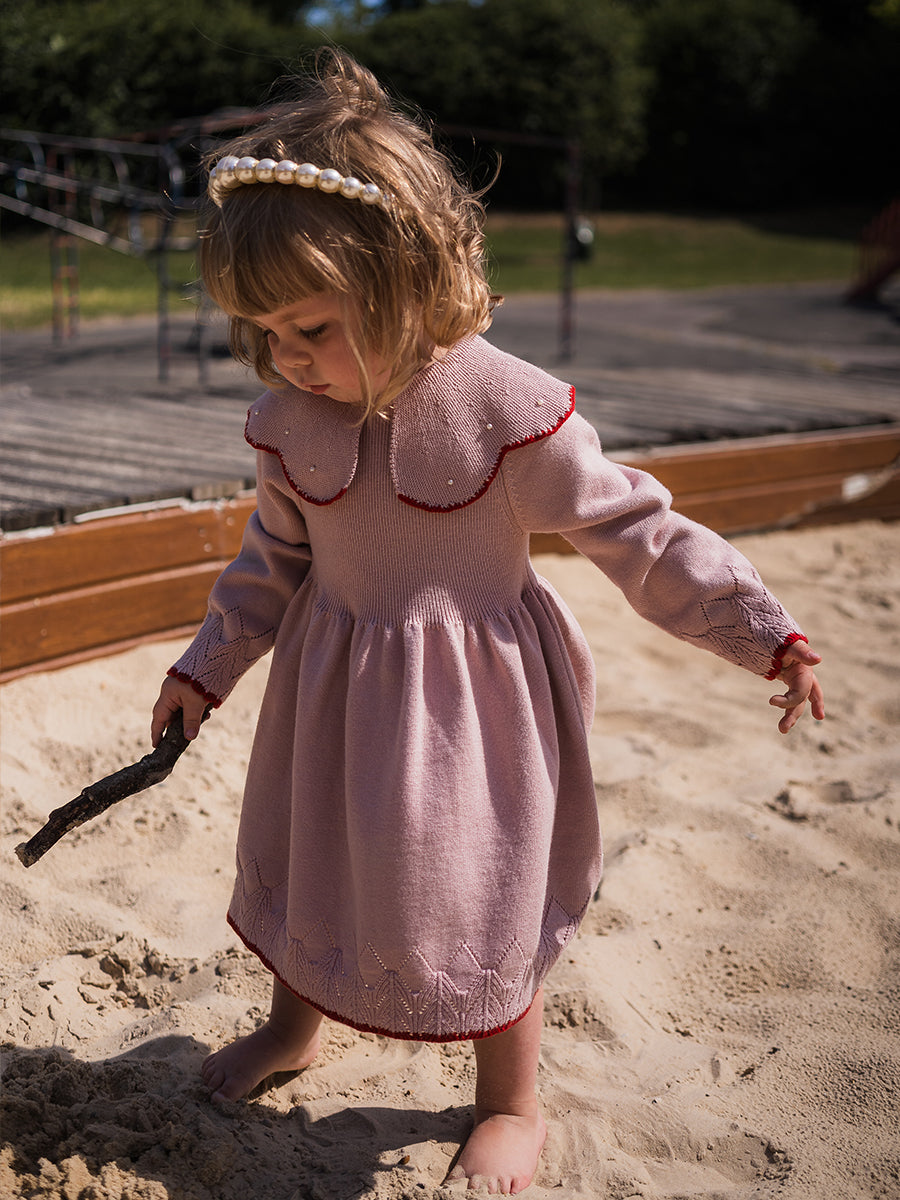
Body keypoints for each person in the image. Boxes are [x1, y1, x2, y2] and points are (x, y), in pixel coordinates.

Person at [150, 49, 825, 1196]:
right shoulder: (288, 421)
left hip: (473, 699)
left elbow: (636, 531)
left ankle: (511, 1100)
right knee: (315, 849)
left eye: (310, 326)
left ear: (407, 282)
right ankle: (293, 1026)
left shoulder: (510, 414)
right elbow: (272, 560)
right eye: (261, 333)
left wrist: (761, 630)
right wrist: (206, 668)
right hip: (331, 680)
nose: (285, 358)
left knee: (481, 888)